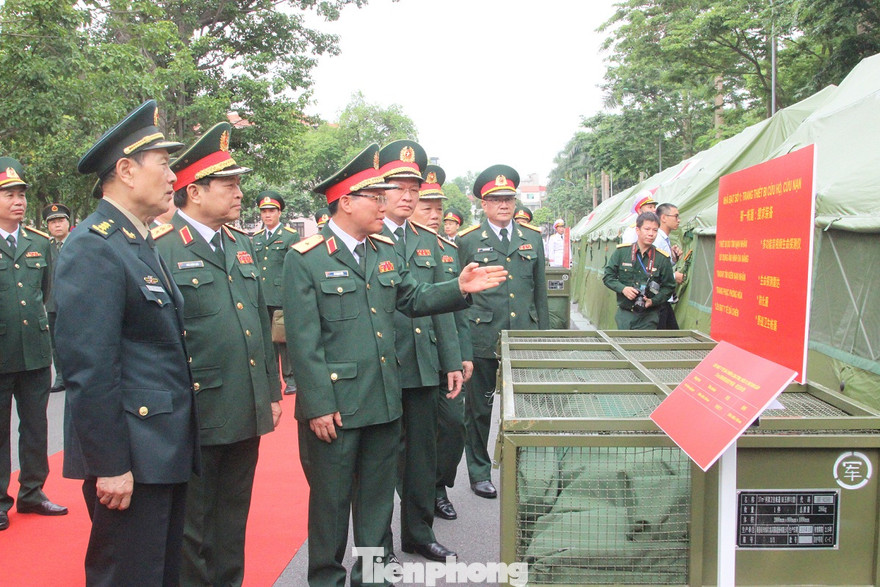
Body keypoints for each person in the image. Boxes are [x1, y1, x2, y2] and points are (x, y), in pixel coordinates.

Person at [282, 144, 507, 586]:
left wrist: (458, 288)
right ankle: (326, 577)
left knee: (374, 500)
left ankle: (372, 574)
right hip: (337, 407)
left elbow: (413, 298)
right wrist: (318, 405)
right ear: (346, 202)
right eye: (376, 196)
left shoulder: (382, 250)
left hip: (384, 399)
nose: (386, 203)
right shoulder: (306, 258)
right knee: (330, 503)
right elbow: (304, 343)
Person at [55, 100, 197, 584]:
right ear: (126, 170)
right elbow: (89, 370)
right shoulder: (94, 246)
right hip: (132, 458)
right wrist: (110, 465)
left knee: (157, 573)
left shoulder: (135, 242)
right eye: (164, 163)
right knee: (129, 575)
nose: (174, 176)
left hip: (160, 450)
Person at [153, 122, 282, 587]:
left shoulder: (241, 245)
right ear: (194, 191)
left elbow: (258, 327)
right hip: (196, 408)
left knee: (233, 517)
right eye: (228, 184)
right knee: (195, 525)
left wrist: (270, 391)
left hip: (243, 406)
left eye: (238, 183)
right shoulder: (162, 248)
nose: (239, 193)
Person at [377, 143, 462, 562]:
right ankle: (378, 547)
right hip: (382, 363)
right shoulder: (367, 237)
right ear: (380, 190)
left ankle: (418, 532)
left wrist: (450, 359)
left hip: (423, 361)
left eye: (414, 187)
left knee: (421, 458)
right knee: (378, 461)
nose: (408, 196)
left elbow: (440, 302)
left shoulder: (428, 240)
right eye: (399, 187)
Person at [457, 164, 549, 499]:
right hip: (482, 338)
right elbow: (459, 295)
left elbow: (540, 293)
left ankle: (521, 465)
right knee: (479, 410)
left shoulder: (532, 239)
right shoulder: (467, 241)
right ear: (483, 204)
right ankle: (480, 472)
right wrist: (462, 346)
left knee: (523, 408)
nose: (504, 205)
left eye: (508, 198)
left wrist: (543, 340)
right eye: (496, 199)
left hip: (522, 337)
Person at [0, 158, 68, 533]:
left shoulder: (39, 244)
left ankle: (32, 492)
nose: (18, 201)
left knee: (35, 426)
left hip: (34, 350)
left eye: (21, 194)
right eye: (9, 194)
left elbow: (46, 295)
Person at [413, 166, 471, 523]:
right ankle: (421, 494)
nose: (435, 215)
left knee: (452, 424)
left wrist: (463, 354)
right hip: (413, 354)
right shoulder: (396, 246)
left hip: (445, 352)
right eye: (427, 207)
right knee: (414, 435)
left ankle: (438, 484)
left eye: (438, 208)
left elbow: (459, 307)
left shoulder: (450, 249)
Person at [252, 191, 300, 395]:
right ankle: (272, 379)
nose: (267, 215)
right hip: (262, 296)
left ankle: (290, 379)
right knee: (267, 341)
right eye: (264, 211)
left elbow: (294, 266)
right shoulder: (255, 238)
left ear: (279, 212)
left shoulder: (290, 235)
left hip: (281, 296)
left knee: (284, 339)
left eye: (271, 211)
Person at [603, 212, 676, 330]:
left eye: (655, 230)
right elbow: (608, 277)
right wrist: (623, 289)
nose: (651, 234)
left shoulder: (662, 258)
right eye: (647, 229)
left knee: (643, 346)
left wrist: (653, 301)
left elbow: (669, 286)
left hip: (649, 316)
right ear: (637, 230)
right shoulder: (622, 253)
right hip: (625, 314)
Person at [42, 202, 71, 393]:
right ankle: (61, 375)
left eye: (60, 221)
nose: (57, 225)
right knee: (56, 342)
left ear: (68, 223)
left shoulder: (79, 241)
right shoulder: (45, 246)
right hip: (53, 303)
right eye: (52, 222)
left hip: (74, 303)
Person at [654, 203, 685, 329]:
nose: (679, 220)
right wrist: (673, 276)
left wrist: (673, 259)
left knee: (672, 335)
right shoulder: (657, 240)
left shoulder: (665, 239)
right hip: (659, 299)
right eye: (676, 216)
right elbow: (652, 270)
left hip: (665, 298)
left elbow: (662, 265)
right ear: (664, 218)